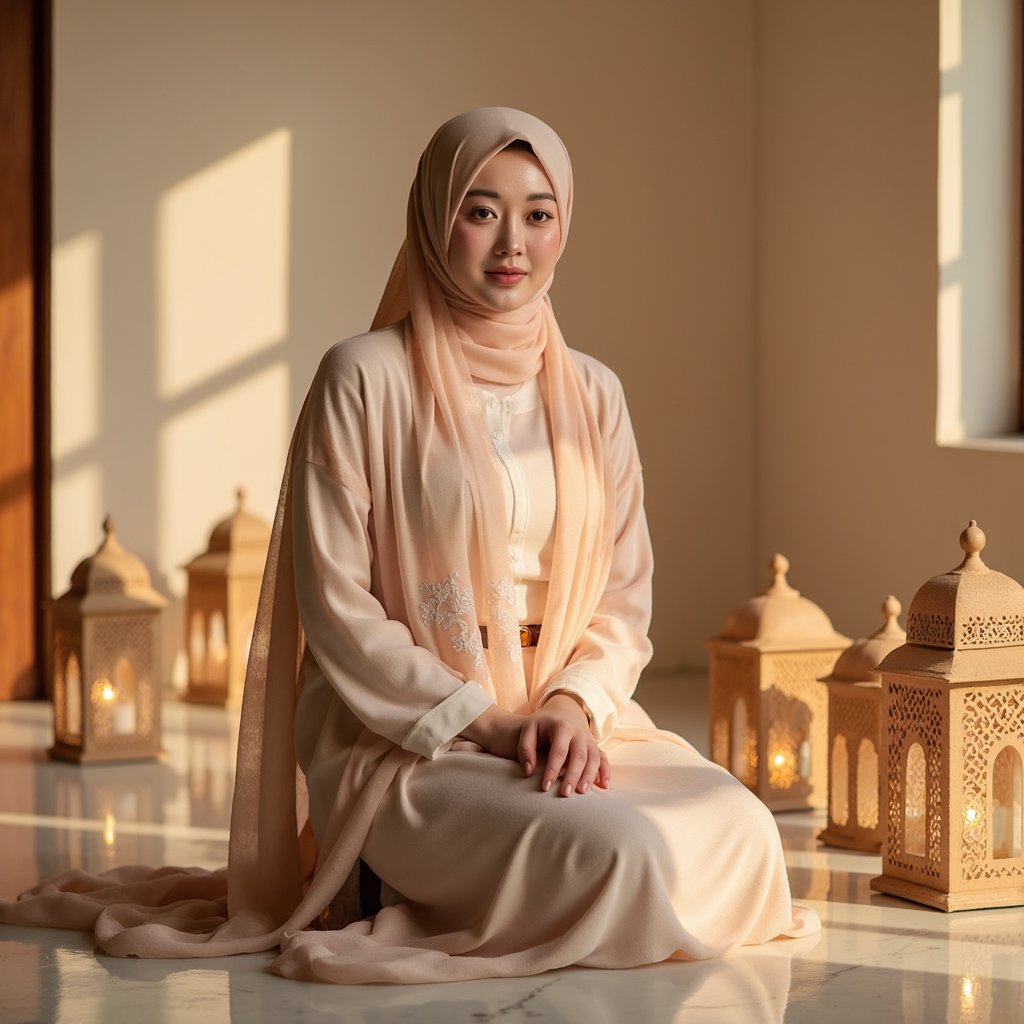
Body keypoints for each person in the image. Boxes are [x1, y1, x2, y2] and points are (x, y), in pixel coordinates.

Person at [0, 107, 818, 984]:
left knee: (742, 832)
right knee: (625, 855)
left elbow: (624, 595)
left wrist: (573, 707)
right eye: (481, 210)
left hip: (561, 725)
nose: (513, 243)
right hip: (409, 737)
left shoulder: (595, 394)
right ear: (433, 217)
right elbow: (338, 608)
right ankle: (394, 864)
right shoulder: (362, 377)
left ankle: (507, 846)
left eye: (539, 214)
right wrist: (488, 723)